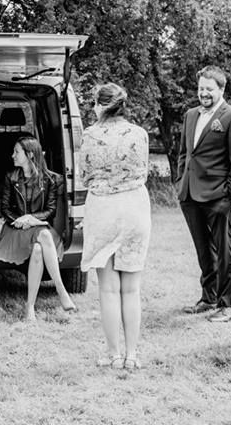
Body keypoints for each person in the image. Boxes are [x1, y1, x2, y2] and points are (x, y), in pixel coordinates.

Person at [79, 83, 151, 370]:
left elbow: (85, 176)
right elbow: (143, 170)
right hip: (134, 207)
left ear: (100, 104)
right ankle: (132, 355)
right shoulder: (140, 134)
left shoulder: (90, 135)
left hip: (104, 208)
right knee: (131, 288)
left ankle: (113, 354)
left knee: (108, 288)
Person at [176, 66, 231, 322]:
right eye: (201, 88)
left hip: (218, 196)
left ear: (221, 89)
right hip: (189, 194)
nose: (203, 93)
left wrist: (230, 195)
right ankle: (208, 298)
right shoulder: (190, 115)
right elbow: (185, 153)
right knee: (203, 249)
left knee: (224, 249)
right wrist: (179, 182)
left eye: (209, 89)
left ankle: (228, 304)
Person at [0, 135, 76, 321]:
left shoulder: (50, 179)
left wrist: (32, 219)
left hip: (37, 225)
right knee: (45, 237)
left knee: (39, 248)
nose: (12, 155)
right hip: (15, 229)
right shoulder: (11, 177)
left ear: (30, 155)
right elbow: (5, 209)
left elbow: (50, 210)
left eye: (17, 152)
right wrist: (21, 220)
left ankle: (30, 308)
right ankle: (61, 290)